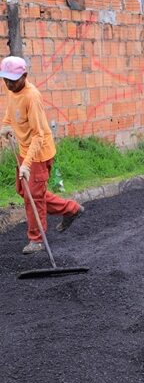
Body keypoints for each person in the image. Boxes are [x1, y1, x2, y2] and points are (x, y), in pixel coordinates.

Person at [0, 56, 84, 254]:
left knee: (33, 197)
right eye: (5, 80)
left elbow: (38, 135)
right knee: (25, 191)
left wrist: (27, 165)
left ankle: (37, 239)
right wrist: (4, 127)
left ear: (25, 76)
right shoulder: (13, 90)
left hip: (38, 154)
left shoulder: (32, 96)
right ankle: (71, 208)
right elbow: (10, 113)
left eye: (13, 80)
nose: (9, 84)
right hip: (24, 150)